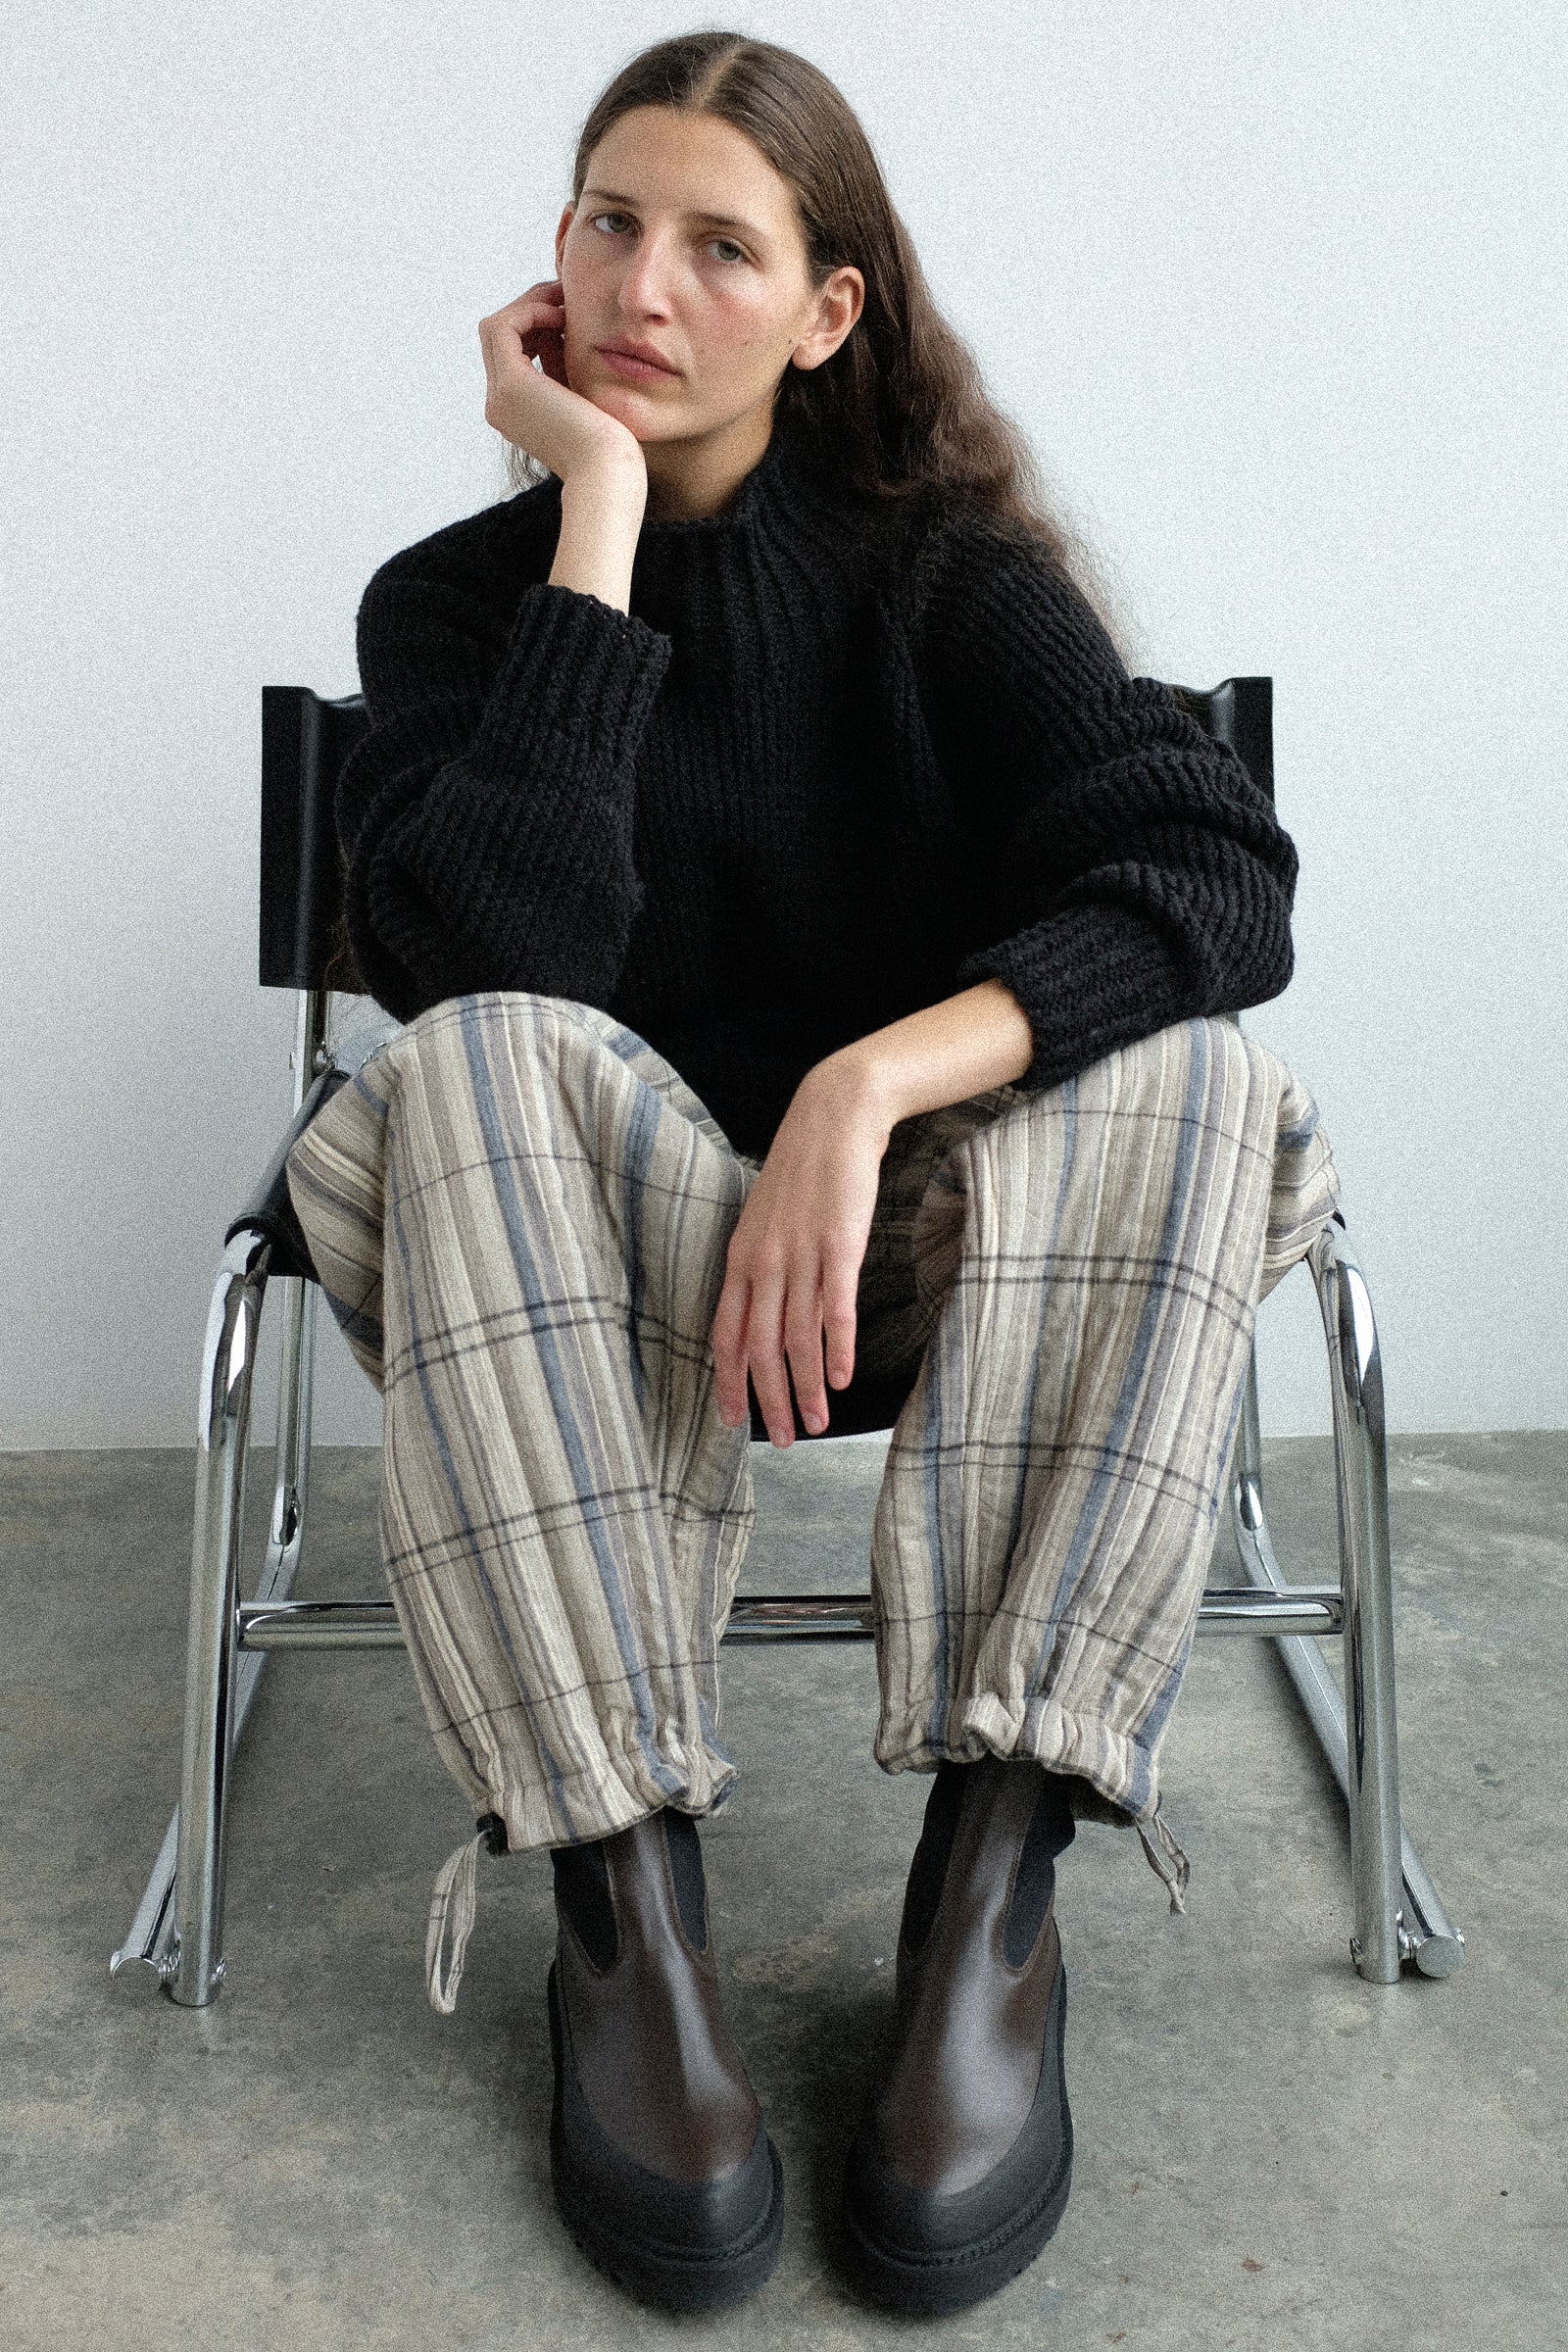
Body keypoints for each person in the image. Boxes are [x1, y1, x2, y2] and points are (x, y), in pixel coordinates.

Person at [284, 26, 1340, 2320]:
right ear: (546, 265)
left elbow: (1212, 872)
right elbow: (501, 957)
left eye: (720, 245)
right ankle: (620, 1910)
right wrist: (588, 524)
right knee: (468, 1064)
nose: (643, 286)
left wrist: (861, 1092)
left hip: (927, 1248)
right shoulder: (447, 611)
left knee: (1190, 1071)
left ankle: (988, 1902)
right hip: (572, 1274)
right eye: (606, 223)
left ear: (828, 307)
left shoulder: (939, 579)